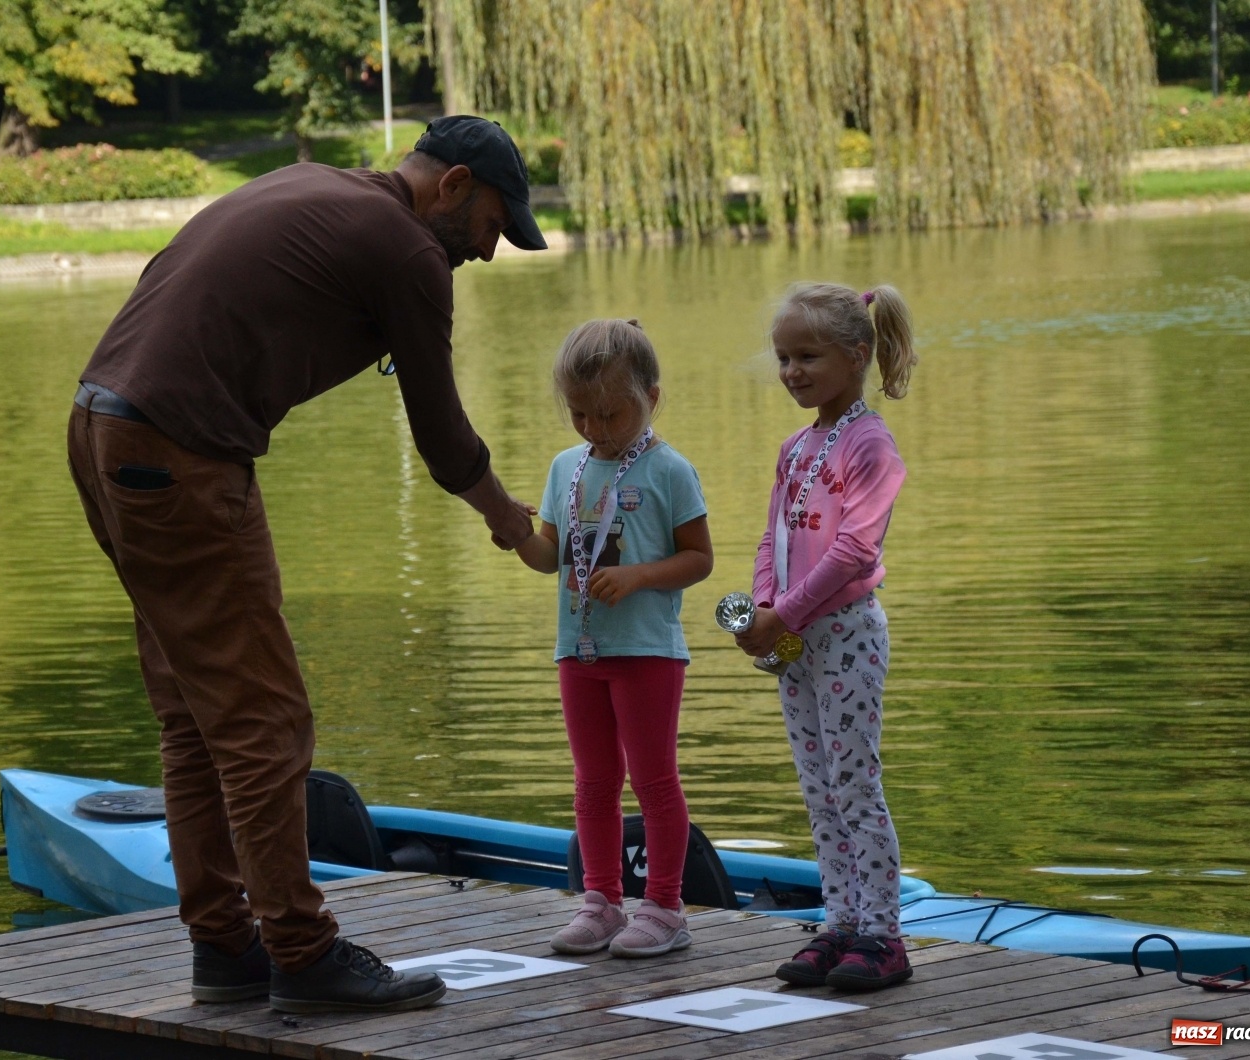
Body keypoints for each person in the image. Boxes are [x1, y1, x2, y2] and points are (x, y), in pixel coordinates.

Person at [65, 116, 545, 1013]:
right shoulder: (406, 250)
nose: (490, 250)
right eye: (492, 224)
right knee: (265, 722)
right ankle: (302, 951)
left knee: (194, 715)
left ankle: (225, 949)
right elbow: (443, 441)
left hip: (102, 429)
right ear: (452, 189)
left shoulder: (320, 188)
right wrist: (510, 524)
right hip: (180, 452)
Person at [732, 282, 919, 992]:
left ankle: (884, 936)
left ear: (856, 355)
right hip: (795, 635)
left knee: (855, 783)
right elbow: (772, 535)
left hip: (844, 635)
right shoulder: (795, 447)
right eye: (783, 358)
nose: (792, 372)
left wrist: (788, 614)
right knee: (818, 788)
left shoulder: (870, 443)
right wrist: (760, 608)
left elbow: (854, 553)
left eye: (807, 356)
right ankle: (841, 922)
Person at [512, 319, 714, 958]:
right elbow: (551, 557)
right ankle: (600, 901)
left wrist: (638, 576)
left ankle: (664, 907)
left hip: (647, 651)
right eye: (579, 414)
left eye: (610, 413)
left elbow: (700, 558)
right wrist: (517, 537)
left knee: (654, 780)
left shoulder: (669, 470)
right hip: (579, 649)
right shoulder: (564, 468)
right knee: (593, 780)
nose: (594, 429)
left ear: (652, 397)